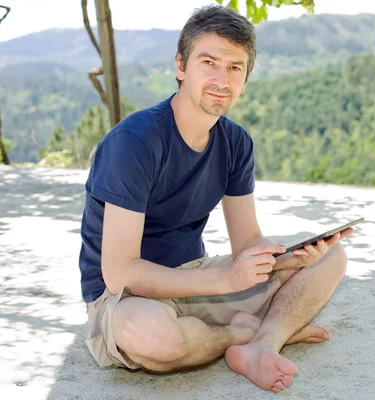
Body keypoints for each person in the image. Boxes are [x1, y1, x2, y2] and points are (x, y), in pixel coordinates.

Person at [79, 4, 353, 393]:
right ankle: (240, 334)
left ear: (245, 80)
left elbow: (247, 243)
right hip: (125, 297)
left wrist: (288, 257)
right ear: (181, 66)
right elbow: (120, 272)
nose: (221, 79)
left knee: (333, 257)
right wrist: (227, 279)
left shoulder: (235, 142)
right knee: (154, 337)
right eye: (209, 62)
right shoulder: (135, 143)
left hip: (196, 275)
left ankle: (261, 344)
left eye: (234, 68)